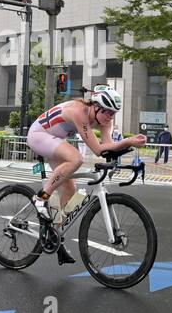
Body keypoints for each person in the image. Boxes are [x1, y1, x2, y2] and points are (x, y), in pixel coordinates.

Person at [26, 86, 146, 261]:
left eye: (114, 113)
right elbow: (98, 149)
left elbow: (108, 148)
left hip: (56, 139)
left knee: (70, 192)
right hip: (39, 135)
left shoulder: (106, 119)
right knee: (76, 159)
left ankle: (54, 236)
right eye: (107, 112)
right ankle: (41, 198)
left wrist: (124, 150)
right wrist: (128, 141)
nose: (110, 117)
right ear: (95, 106)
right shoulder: (78, 112)